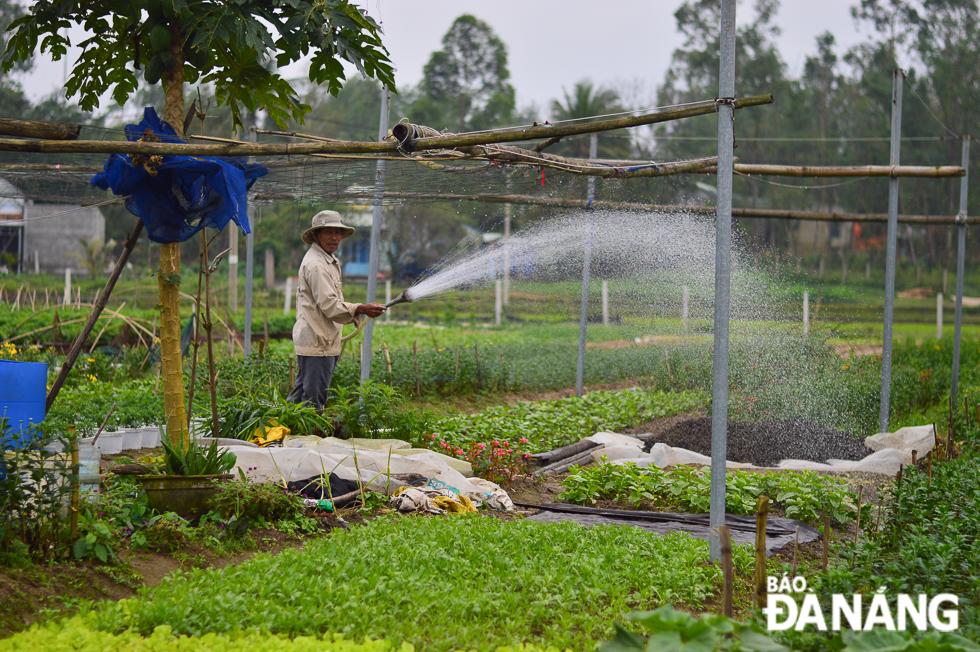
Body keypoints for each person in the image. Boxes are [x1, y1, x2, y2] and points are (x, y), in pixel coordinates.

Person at [287, 210, 386, 410]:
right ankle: (306, 439)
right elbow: (331, 306)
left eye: (338, 232)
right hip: (318, 342)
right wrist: (361, 308)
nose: (334, 237)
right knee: (312, 401)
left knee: (301, 398)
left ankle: (287, 434)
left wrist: (359, 309)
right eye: (328, 232)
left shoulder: (327, 260)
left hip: (320, 340)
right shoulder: (317, 264)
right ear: (316, 235)